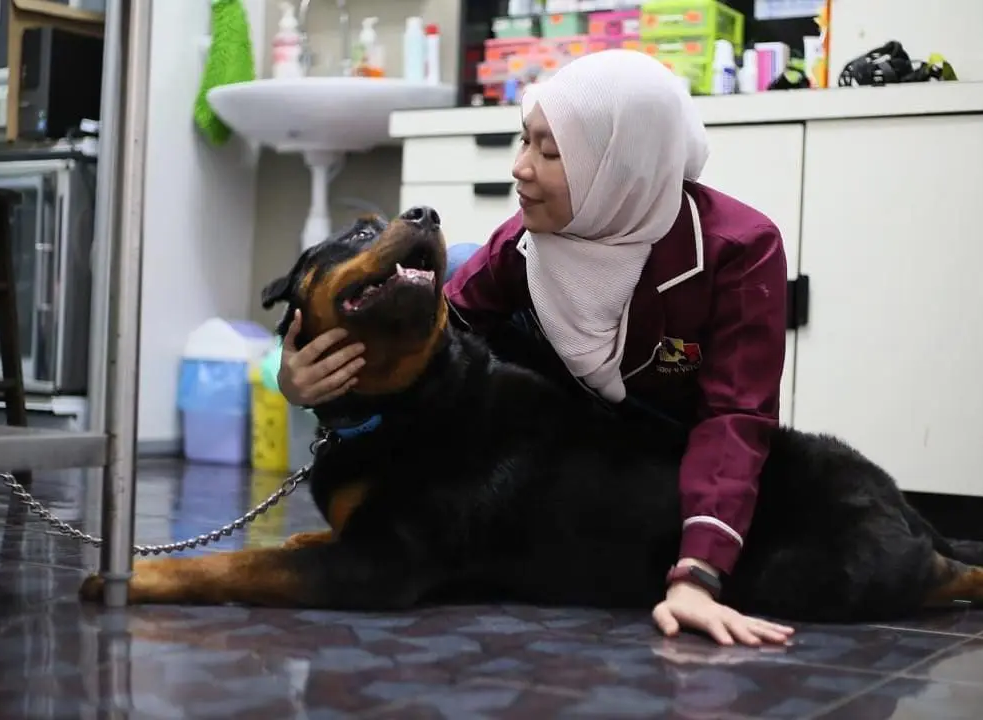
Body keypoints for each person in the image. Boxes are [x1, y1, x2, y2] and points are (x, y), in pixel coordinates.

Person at [276, 50, 794, 648]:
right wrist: (295, 384)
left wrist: (697, 577)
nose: (520, 168)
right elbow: (432, 347)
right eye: (524, 141)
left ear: (617, 169)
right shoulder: (520, 244)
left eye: (550, 153)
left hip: (651, 463)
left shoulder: (740, 248)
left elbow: (735, 417)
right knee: (450, 275)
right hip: (557, 456)